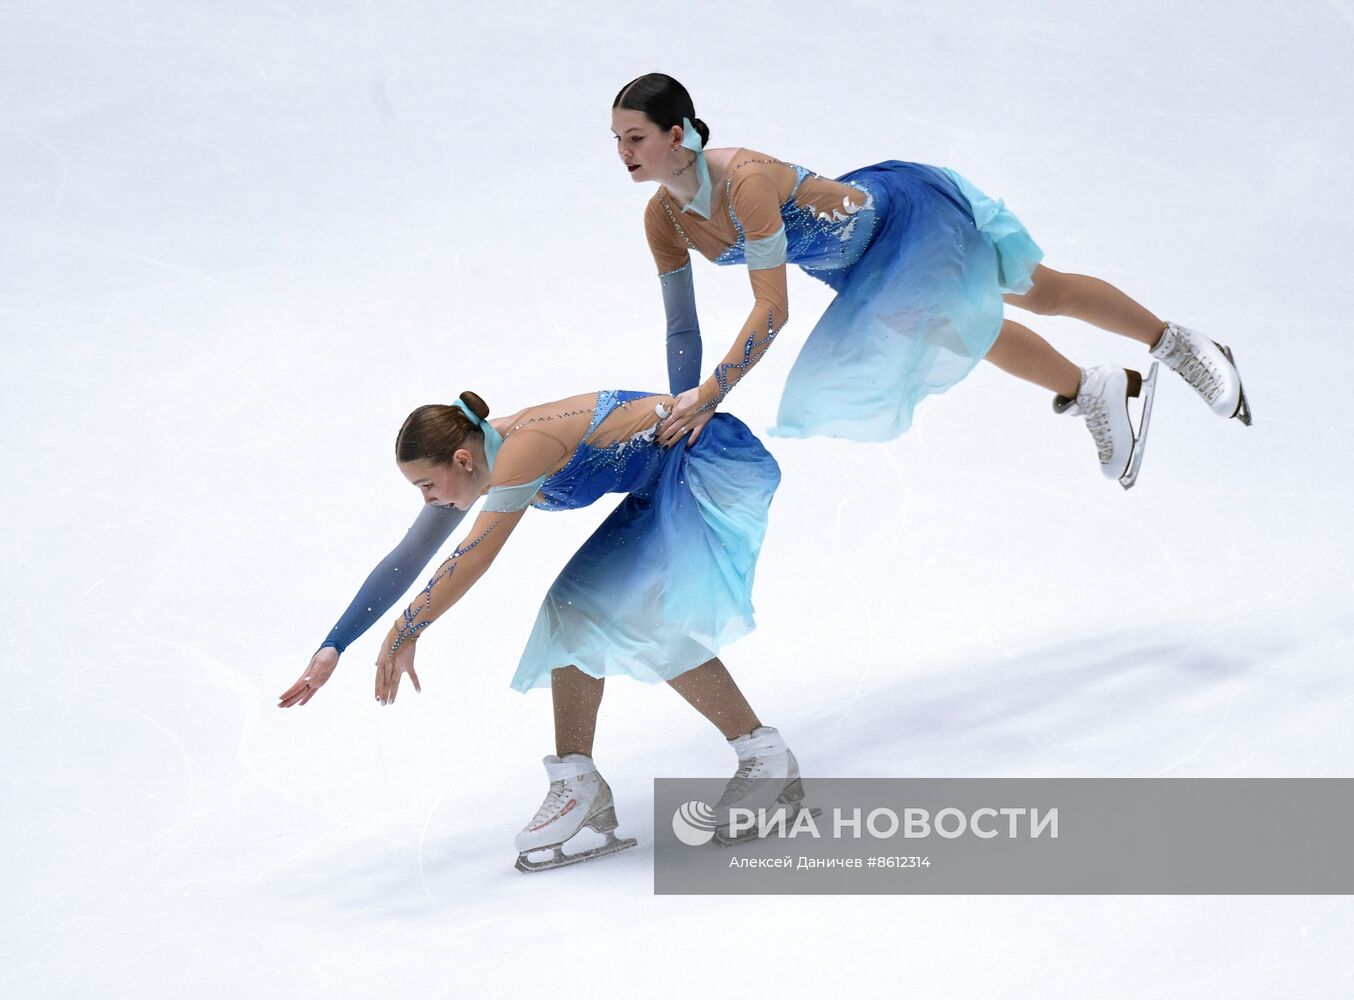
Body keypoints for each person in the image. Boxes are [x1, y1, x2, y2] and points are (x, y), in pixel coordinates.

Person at [612, 73, 1251, 489]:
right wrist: (679, 409)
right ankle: (1091, 390)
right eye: (616, 138)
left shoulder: (746, 181)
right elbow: (681, 325)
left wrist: (713, 392)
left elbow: (771, 309)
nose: (624, 151)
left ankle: (1178, 343)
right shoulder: (662, 218)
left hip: (906, 221)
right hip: (859, 273)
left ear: (677, 135)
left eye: (635, 136)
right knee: (963, 335)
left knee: (1040, 291)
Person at [278, 388, 806, 870]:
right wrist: (335, 644)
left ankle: (766, 758)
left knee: (645, 620)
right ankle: (579, 783)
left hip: (706, 461)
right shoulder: (475, 464)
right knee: (572, 612)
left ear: (461, 459)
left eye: (425, 485)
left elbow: (476, 555)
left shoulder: (522, 449)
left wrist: (405, 629)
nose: (426, 501)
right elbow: (410, 555)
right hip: (661, 483)